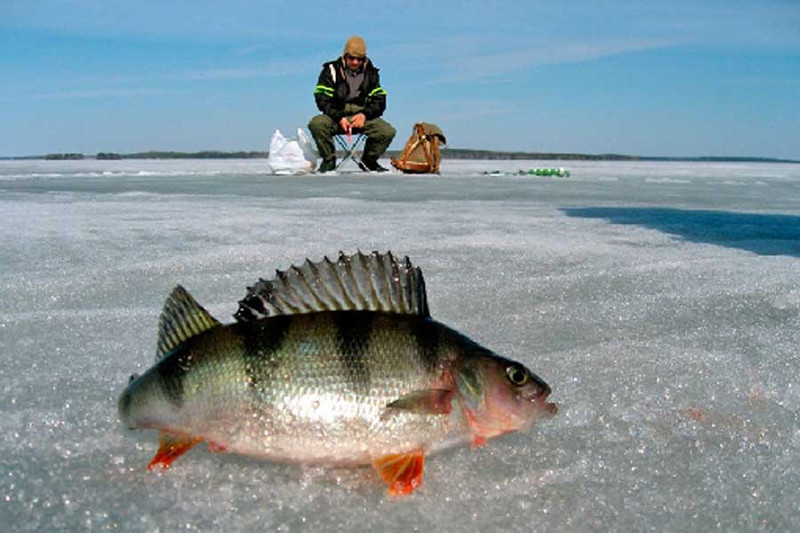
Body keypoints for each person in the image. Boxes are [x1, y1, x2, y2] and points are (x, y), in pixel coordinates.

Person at [308, 36, 396, 173]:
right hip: (336, 116)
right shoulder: (330, 70)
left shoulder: (371, 73)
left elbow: (380, 101)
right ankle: (329, 160)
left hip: (360, 117)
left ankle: (369, 161)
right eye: (351, 58)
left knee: (387, 131)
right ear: (345, 56)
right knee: (316, 124)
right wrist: (339, 117)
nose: (355, 62)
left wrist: (364, 115)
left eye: (360, 59)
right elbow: (322, 99)